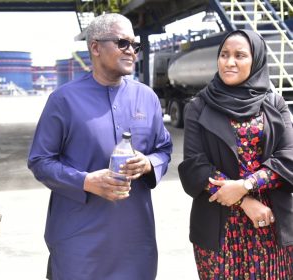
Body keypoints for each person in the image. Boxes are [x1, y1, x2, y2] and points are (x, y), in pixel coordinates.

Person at [28, 13, 172, 280]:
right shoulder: (64, 100)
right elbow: (40, 161)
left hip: (135, 240)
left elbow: (163, 149)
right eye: (122, 43)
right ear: (95, 47)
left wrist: (149, 163)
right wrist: (85, 181)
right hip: (79, 241)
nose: (131, 51)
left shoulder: (147, 98)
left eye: (134, 45)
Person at [178, 29, 293, 279]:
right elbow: (195, 166)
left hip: (269, 224)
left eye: (240, 55)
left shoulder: (274, 103)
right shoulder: (199, 105)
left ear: (257, 60)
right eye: (224, 55)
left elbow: (289, 157)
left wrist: (246, 185)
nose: (229, 62)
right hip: (219, 229)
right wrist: (244, 200)